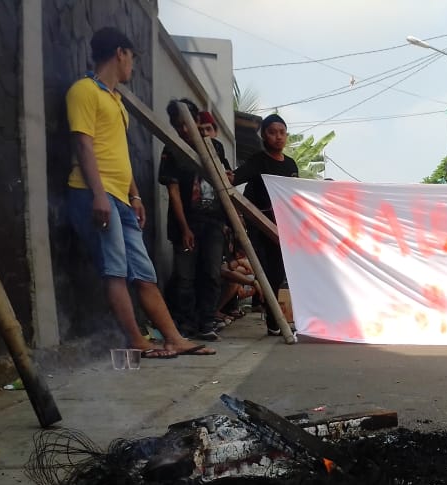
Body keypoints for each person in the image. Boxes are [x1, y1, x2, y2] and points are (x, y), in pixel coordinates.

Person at [66, 27, 214, 358]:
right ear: (120, 53)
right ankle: (136, 339)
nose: (133, 64)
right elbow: (83, 144)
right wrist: (99, 195)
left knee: (144, 272)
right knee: (116, 269)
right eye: (131, 56)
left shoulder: (115, 99)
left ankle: (173, 337)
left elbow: (118, 153)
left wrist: (134, 195)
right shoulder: (84, 91)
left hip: (122, 199)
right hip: (94, 194)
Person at [157, 98, 232, 340]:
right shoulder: (172, 151)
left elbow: (226, 181)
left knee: (211, 273)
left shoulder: (215, 148)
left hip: (213, 222)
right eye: (178, 125)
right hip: (186, 223)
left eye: (187, 124)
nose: (184, 130)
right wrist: (184, 227)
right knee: (185, 277)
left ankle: (206, 322)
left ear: (198, 121)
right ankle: (185, 325)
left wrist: (229, 223)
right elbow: (174, 192)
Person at [232, 113, 298, 335]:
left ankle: (275, 321)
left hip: (282, 228)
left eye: (282, 132)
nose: (278, 137)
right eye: (272, 132)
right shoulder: (258, 161)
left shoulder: (290, 165)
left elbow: (295, 196)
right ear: (264, 136)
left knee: (278, 274)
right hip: (260, 227)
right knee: (266, 273)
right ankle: (274, 321)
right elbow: (234, 179)